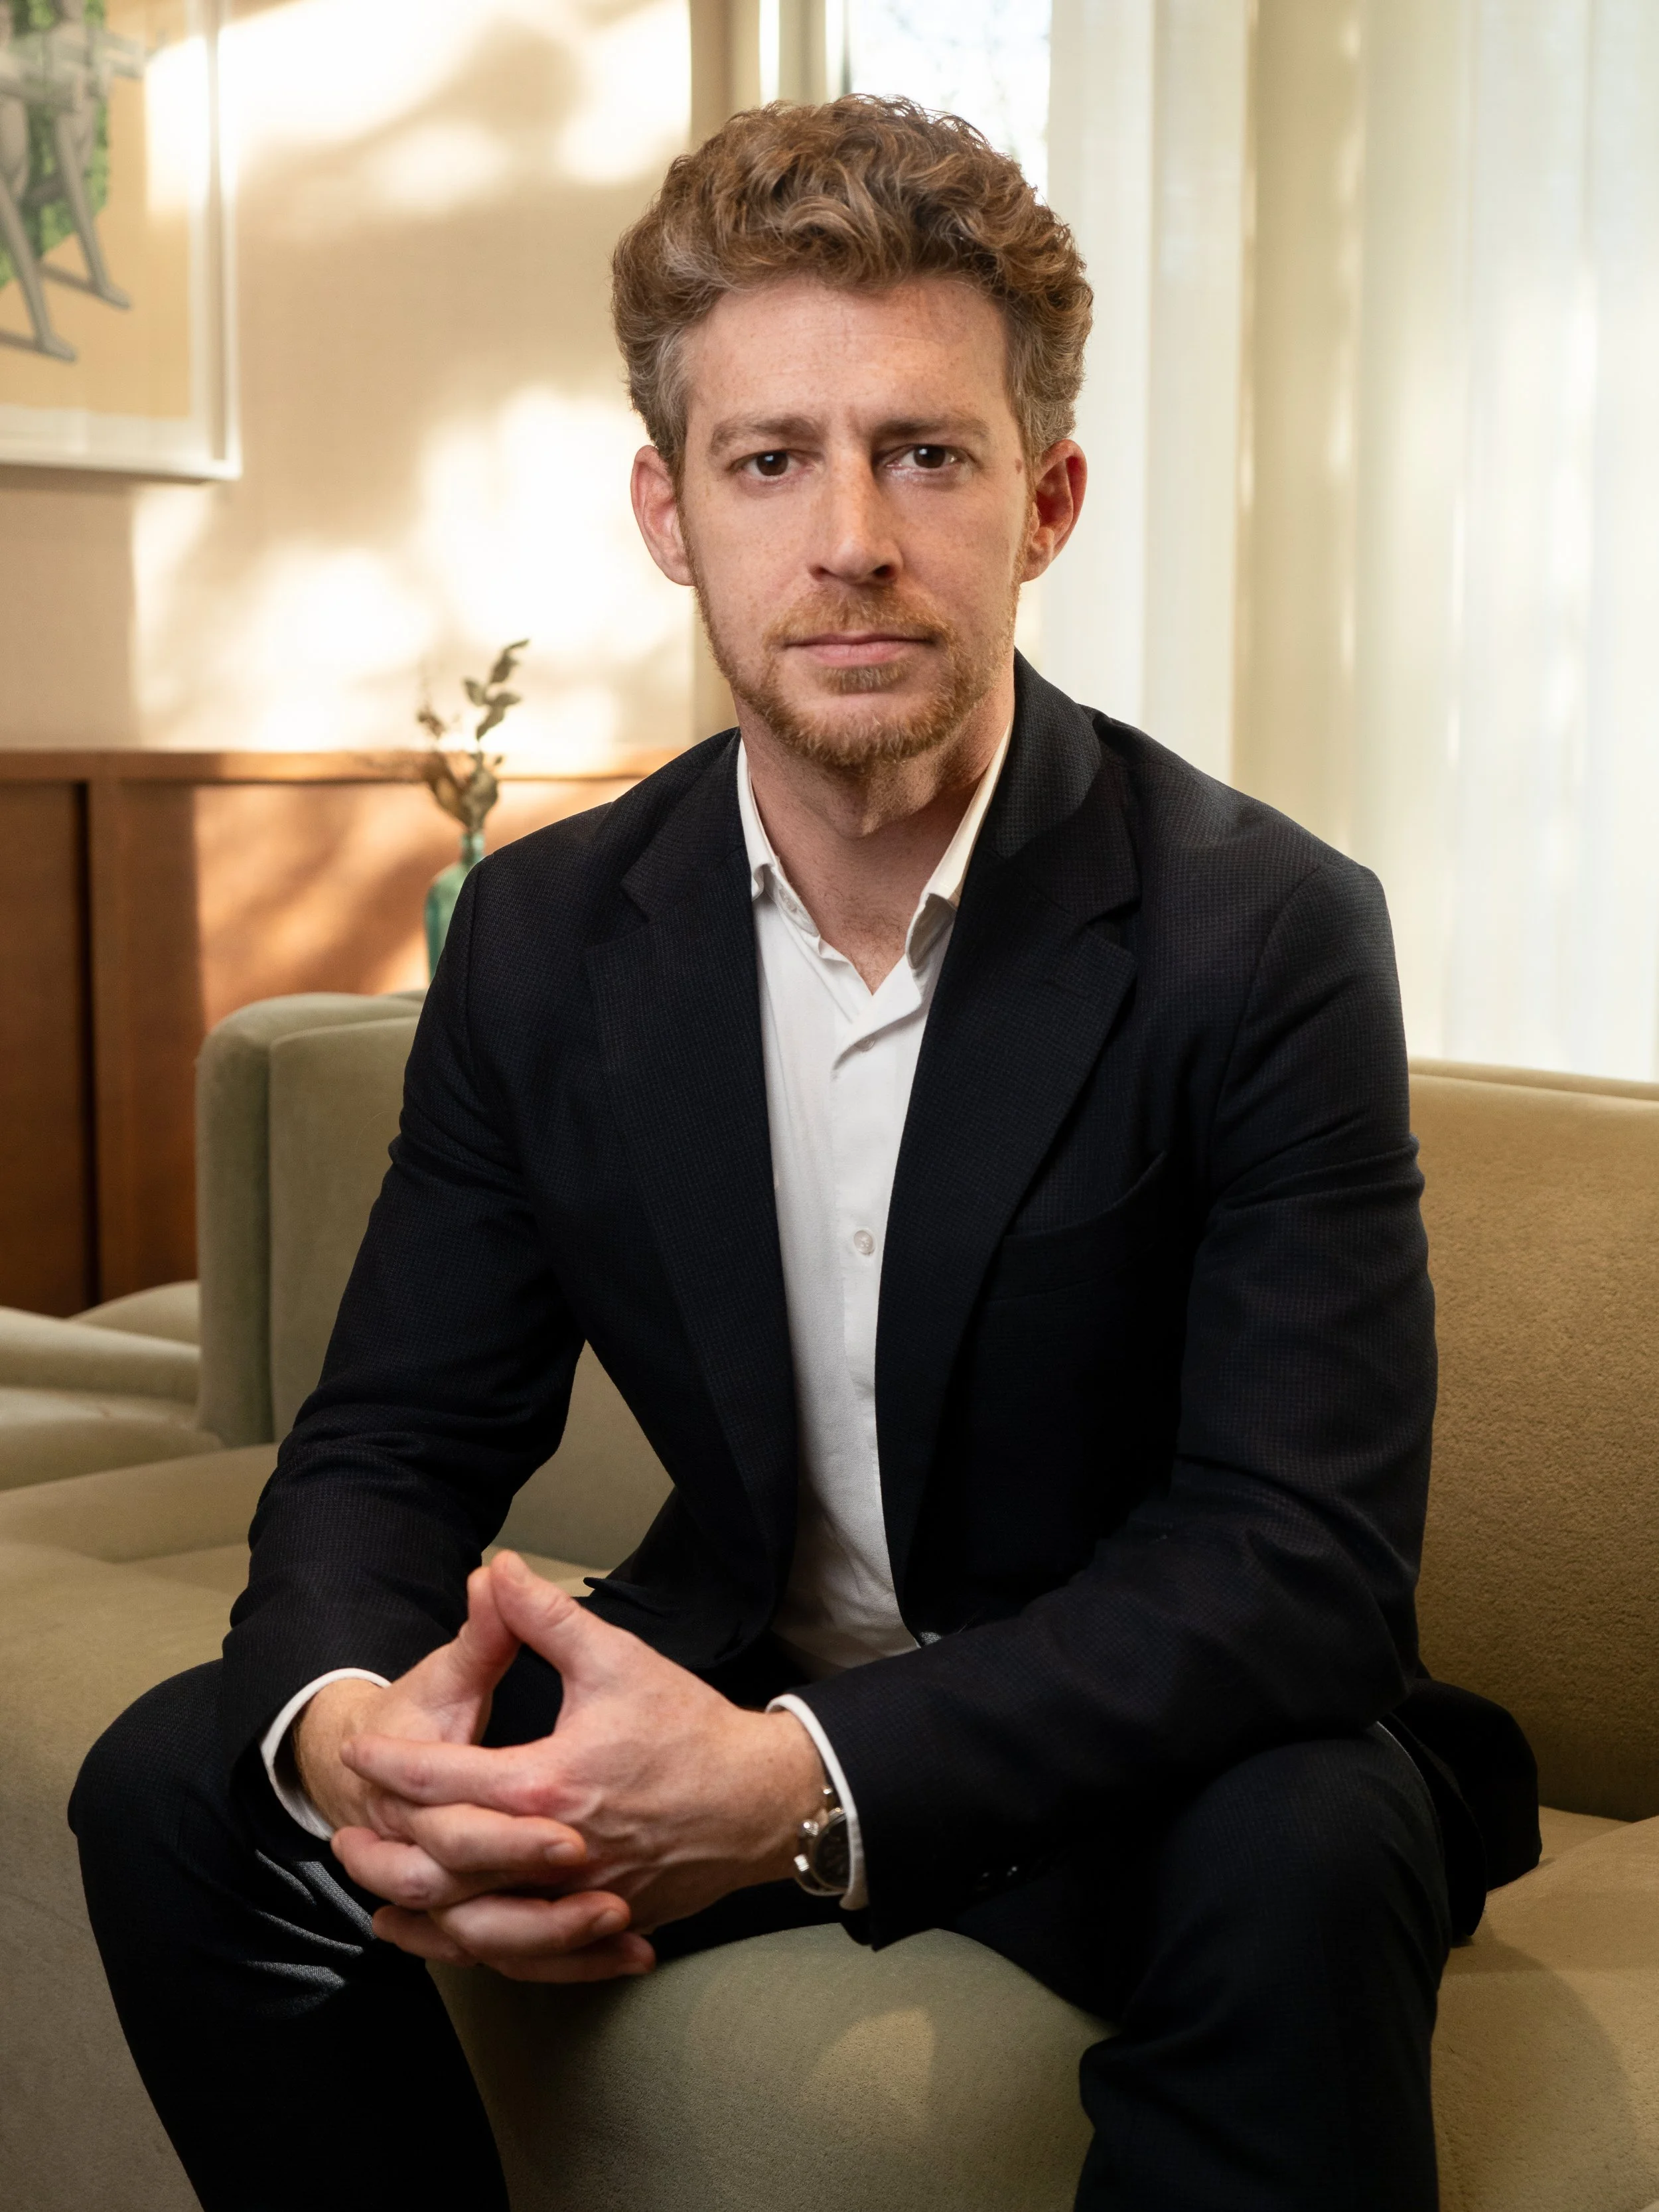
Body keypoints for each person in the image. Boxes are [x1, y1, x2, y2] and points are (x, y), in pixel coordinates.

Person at [71, 96, 1536, 2212]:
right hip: (726, 1653)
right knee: (178, 1787)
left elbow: (1293, 1568)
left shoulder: (1263, 927)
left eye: (923, 454)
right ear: (670, 512)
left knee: (1313, 1845)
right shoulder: (557, 936)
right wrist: (339, 1724)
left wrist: (782, 1787)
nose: (848, 533)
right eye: (771, 459)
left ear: (1044, 499)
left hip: (1139, 1740)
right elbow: (390, 1441)